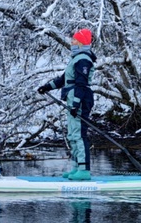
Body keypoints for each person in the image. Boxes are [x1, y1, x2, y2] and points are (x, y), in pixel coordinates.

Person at [38, 29, 97, 180]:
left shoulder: (83, 59)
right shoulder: (76, 59)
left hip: (80, 98)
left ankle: (84, 170)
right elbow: (63, 79)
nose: (71, 42)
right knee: (72, 135)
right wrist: (47, 87)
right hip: (73, 98)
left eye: (75, 40)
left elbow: (81, 84)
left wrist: (76, 104)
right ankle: (76, 168)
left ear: (82, 42)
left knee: (79, 134)